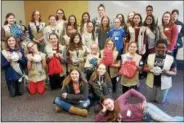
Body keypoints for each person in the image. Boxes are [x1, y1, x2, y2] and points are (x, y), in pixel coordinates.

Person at [94, 89, 184, 122]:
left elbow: (131, 91)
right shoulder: (109, 114)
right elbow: (97, 121)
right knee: (171, 119)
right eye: (106, 105)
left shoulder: (119, 101)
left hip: (146, 109)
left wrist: (143, 99)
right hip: (143, 119)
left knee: (169, 121)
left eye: (109, 102)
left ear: (113, 101)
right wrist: (103, 110)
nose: (109, 105)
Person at [143, 39, 177, 103]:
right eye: (159, 47)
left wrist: (166, 72)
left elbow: (174, 72)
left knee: (159, 101)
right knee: (151, 99)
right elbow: (144, 68)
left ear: (166, 48)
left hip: (164, 83)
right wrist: (151, 70)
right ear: (156, 47)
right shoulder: (150, 56)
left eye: (163, 47)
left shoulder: (171, 58)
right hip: (151, 82)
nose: (161, 49)